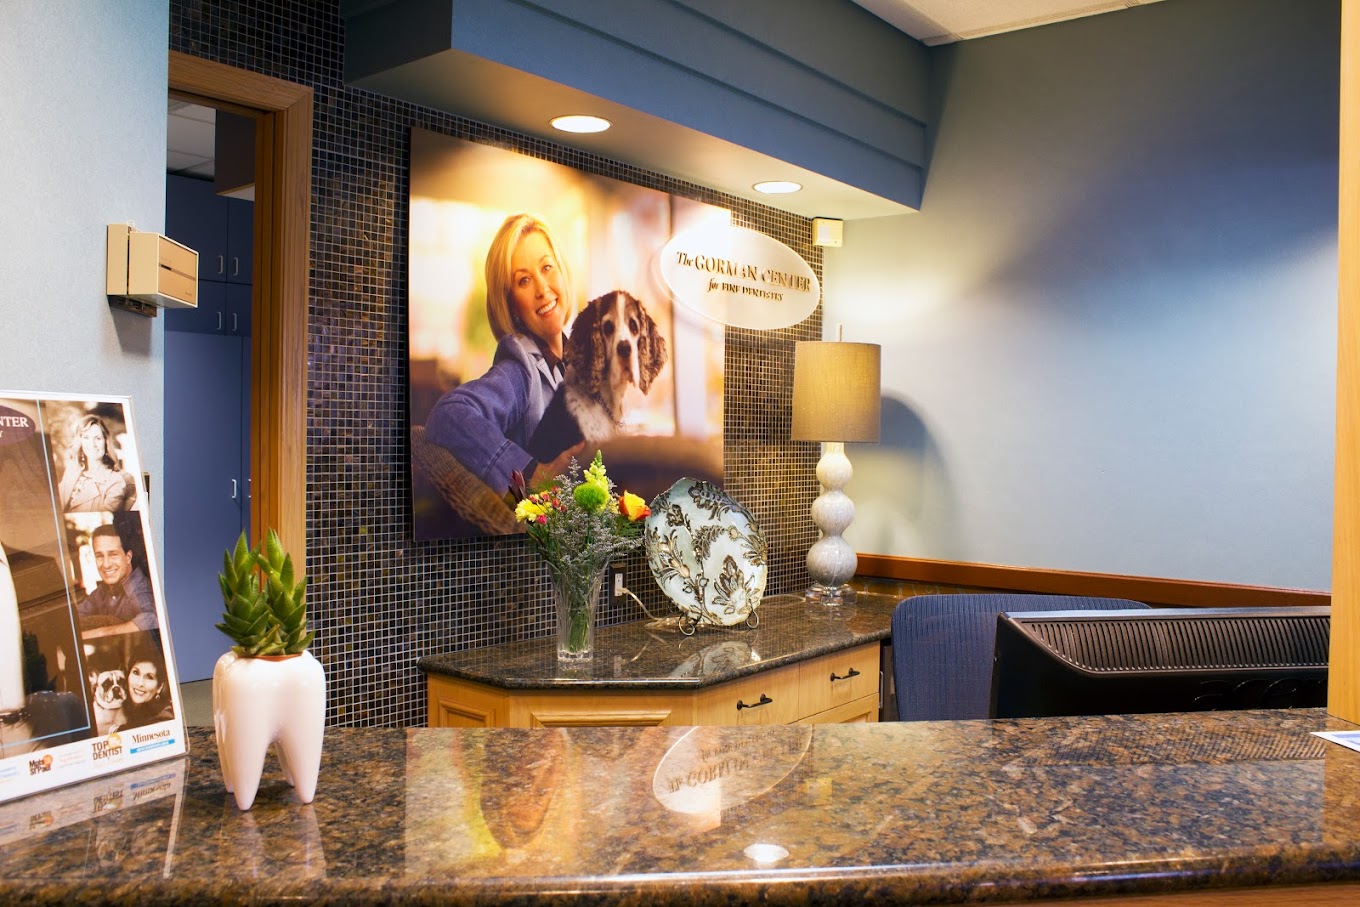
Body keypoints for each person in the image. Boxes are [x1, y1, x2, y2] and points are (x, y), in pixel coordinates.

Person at [425, 213, 586, 497]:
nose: (542, 288)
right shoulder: (520, 369)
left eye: (547, 267)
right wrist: (530, 473)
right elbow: (447, 415)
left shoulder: (580, 362)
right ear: (511, 304)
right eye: (524, 281)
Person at [77, 524, 156, 638]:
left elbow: (152, 618)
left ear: (128, 557)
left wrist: (101, 633)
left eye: (113, 555)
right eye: (99, 556)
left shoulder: (141, 591)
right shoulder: (101, 592)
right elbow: (75, 618)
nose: (106, 564)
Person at [58, 415, 137, 512]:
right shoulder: (72, 468)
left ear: (106, 442)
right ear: (80, 441)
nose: (92, 444)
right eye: (86, 437)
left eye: (98, 438)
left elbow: (106, 516)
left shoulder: (115, 481)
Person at [116, 646, 174, 730]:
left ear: (159, 687)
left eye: (149, 677)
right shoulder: (123, 707)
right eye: (136, 672)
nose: (140, 683)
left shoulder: (164, 717)